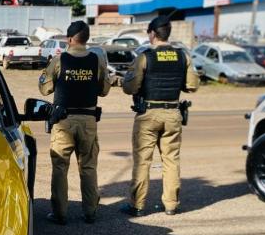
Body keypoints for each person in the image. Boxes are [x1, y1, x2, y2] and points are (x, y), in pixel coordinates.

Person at [121, 16, 199, 216]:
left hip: (148, 114)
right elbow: (192, 85)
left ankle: (137, 205)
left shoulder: (145, 57)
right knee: (171, 160)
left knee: (142, 161)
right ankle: (171, 205)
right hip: (173, 113)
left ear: (152, 34)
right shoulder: (184, 56)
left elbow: (130, 87)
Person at [39, 20, 110, 224]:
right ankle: (90, 212)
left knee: (60, 167)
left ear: (69, 39)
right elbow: (104, 90)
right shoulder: (97, 61)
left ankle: (60, 213)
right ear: (86, 39)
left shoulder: (60, 60)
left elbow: (45, 89)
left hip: (63, 121)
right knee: (88, 166)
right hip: (88, 120)